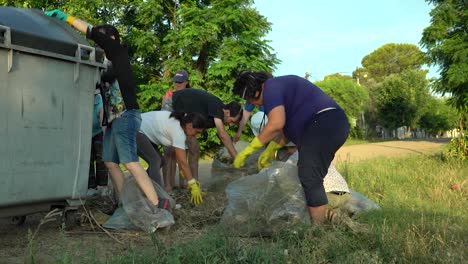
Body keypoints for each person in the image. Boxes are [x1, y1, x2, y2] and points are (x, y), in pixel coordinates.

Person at [45, 9, 169, 209]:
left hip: (126, 115)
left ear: (111, 38)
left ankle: (157, 203)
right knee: (110, 162)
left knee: (130, 162)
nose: (97, 44)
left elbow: (90, 31)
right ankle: (123, 205)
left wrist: (67, 18)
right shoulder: (104, 64)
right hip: (112, 120)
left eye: (101, 39)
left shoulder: (119, 52)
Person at [232, 72, 350, 225]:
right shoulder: (281, 95)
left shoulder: (271, 87)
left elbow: (276, 124)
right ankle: (324, 220)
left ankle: (318, 231)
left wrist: (249, 149)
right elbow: (285, 132)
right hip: (327, 125)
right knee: (310, 174)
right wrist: (271, 149)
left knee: (309, 175)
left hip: (325, 122)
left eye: (252, 100)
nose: (254, 104)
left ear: (257, 89)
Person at [164, 88, 242, 190]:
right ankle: (168, 187)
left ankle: (191, 184)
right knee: (170, 149)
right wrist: (237, 159)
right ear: (227, 112)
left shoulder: (214, 115)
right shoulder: (217, 107)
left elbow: (194, 129)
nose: (231, 125)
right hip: (174, 103)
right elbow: (223, 135)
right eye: (232, 121)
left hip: (186, 113)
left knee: (194, 147)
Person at [137, 111, 206, 205]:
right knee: (155, 160)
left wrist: (187, 176)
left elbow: (180, 158)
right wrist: (193, 184)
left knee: (160, 161)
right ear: (190, 125)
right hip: (136, 130)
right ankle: (157, 199)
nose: (196, 135)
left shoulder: (181, 125)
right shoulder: (178, 132)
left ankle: (144, 187)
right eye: (197, 132)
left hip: (143, 132)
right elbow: (182, 161)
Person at [88, 86, 108, 191]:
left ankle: (102, 185)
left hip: (98, 131)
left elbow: (102, 121)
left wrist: (105, 136)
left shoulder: (99, 99)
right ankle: (91, 186)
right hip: (85, 132)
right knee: (88, 160)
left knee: (101, 157)